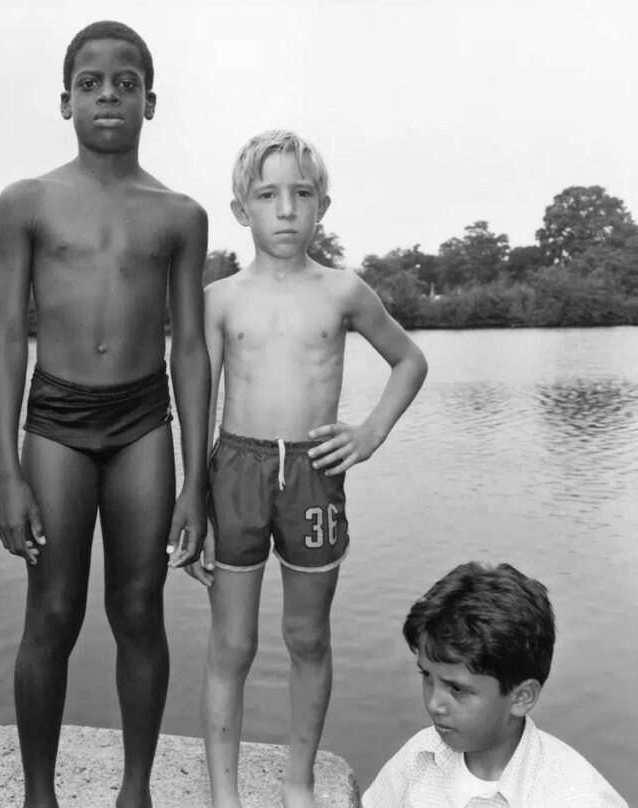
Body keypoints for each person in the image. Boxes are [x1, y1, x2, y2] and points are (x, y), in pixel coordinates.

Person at [0, 19, 211, 808]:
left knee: (140, 608)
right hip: (54, 422)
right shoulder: (28, 203)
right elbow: (9, 339)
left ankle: (136, 789)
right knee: (51, 610)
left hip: (145, 421)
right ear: (64, 101)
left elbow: (189, 349)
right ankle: (39, 795)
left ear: (152, 101)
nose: (108, 94)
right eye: (90, 83)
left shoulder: (180, 215)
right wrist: (5, 470)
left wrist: (197, 480)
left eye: (125, 82)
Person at [188, 130, 428, 808]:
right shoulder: (219, 299)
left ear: (322, 204)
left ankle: (297, 783)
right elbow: (198, 407)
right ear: (242, 209)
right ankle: (225, 793)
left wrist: (370, 433)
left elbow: (409, 361)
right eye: (268, 195)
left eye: (301, 194)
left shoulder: (344, 291)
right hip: (235, 468)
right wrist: (196, 499)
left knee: (307, 637)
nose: (285, 209)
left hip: (316, 474)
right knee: (231, 644)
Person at [364, 561, 626, 806]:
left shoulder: (577, 798)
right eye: (427, 677)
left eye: (457, 689)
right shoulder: (420, 755)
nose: (434, 704)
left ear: (521, 697)